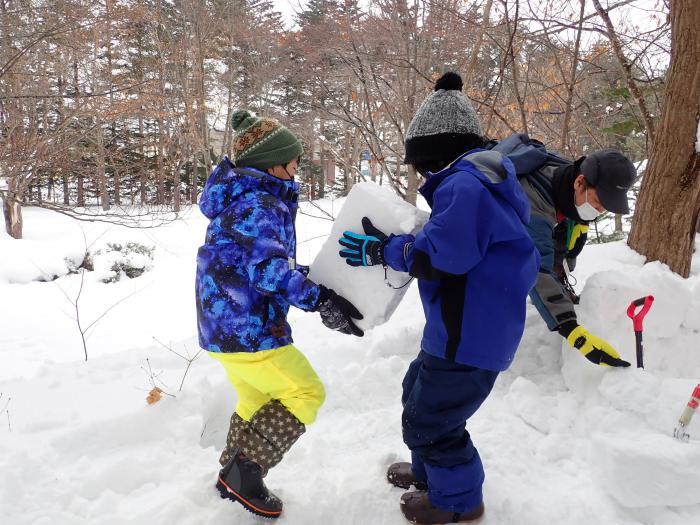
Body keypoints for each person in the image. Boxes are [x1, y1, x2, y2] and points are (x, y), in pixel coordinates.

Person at [338, 72, 540, 524]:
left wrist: (382, 250)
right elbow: (452, 241)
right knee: (419, 396)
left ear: (435, 151)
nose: (419, 171)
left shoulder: (466, 187)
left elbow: (443, 256)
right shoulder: (472, 183)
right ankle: (433, 474)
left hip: (469, 336)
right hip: (460, 328)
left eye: (420, 162)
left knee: (435, 420)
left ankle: (459, 503)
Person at [195, 109, 363, 519]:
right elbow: (269, 271)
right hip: (250, 329)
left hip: (223, 328)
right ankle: (245, 475)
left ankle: (229, 476)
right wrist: (319, 300)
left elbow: (259, 263)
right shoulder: (260, 204)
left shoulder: (242, 198)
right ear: (269, 163)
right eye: (292, 161)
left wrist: (316, 280)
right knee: (306, 392)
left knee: (257, 397)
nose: (296, 168)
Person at [488, 133, 637, 367]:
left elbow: (568, 209)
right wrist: (573, 331)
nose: (598, 211)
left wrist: (576, 220)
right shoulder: (533, 206)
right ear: (579, 183)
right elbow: (535, 270)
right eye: (598, 203)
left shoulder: (565, 175)